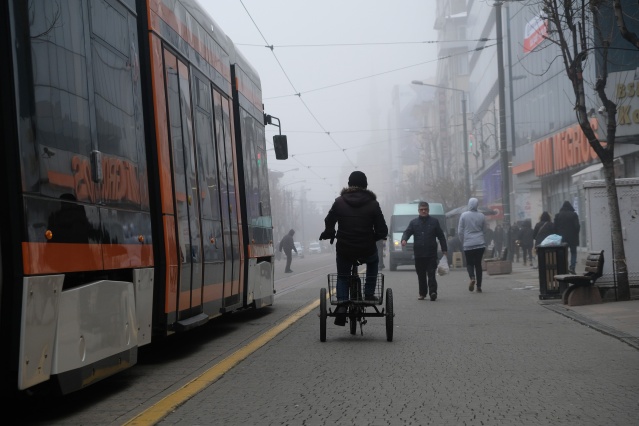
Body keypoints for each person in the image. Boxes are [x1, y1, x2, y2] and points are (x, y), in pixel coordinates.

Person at [319, 171, 388, 326]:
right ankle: (369, 294)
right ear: (365, 185)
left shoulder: (339, 202)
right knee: (373, 262)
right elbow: (382, 230)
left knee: (343, 276)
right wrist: (373, 237)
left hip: (345, 248)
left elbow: (329, 221)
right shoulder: (373, 204)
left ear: (349, 184)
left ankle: (342, 304)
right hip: (366, 248)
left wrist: (329, 232)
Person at [401, 201, 447, 301]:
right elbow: (407, 232)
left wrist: (444, 249)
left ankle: (433, 292)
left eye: (425, 209)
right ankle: (422, 293)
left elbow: (441, 236)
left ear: (428, 210)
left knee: (431, 274)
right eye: (421, 210)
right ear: (418, 211)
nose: (423, 211)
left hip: (431, 253)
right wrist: (404, 239)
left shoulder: (434, 222)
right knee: (421, 275)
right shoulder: (414, 223)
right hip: (419, 254)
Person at [458, 198, 486, 293]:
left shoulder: (464, 215)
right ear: (477, 205)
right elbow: (484, 229)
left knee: (469, 264)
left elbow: (460, 231)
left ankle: (472, 277)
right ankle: (479, 286)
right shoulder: (482, 215)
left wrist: (463, 241)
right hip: (480, 244)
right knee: (478, 264)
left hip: (468, 244)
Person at [554, 200, 580, 274]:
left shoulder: (558, 215)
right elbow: (577, 226)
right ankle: (572, 267)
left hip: (562, 238)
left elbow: (555, 227)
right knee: (573, 252)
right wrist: (575, 233)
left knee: (564, 252)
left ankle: (564, 267)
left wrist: (557, 235)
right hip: (572, 237)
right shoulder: (573, 215)